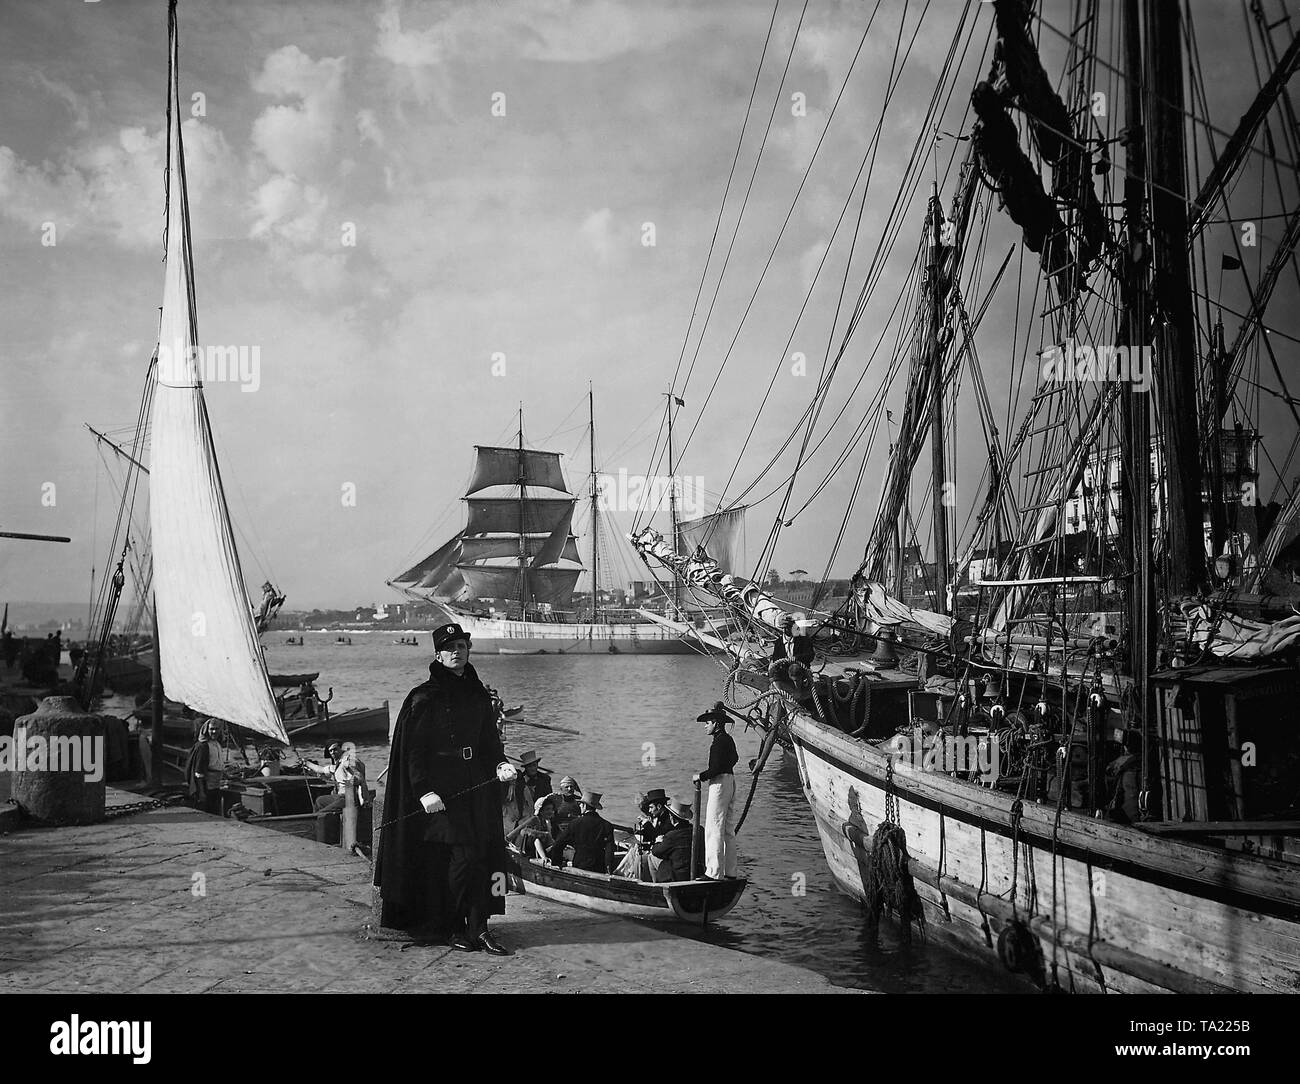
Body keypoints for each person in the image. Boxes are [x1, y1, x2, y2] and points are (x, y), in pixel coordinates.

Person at [374, 622, 518, 955]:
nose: (457, 652)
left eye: (462, 647)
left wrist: (500, 763)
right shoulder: (423, 697)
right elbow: (413, 752)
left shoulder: (477, 692)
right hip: (443, 791)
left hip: (478, 785)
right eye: (450, 648)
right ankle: (453, 926)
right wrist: (424, 791)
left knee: (484, 856)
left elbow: (489, 740)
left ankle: (480, 928)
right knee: (460, 859)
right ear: (438, 654)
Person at [694, 704, 740, 880]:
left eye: (707, 723)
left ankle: (713, 873)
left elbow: (715, 769)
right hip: (730, 781)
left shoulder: (718, 743)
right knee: (728, 828)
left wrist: (700, 776)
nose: (705, 726)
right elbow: (735, 758)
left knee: (713, 828)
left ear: (716, 723)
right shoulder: (728, 740)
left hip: (719, 784)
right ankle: (730, 872)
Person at [546, 789, 615, 874]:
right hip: (599, 866)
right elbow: (610, 851)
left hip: (580, 865)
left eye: (581, 805)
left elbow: (558, 844)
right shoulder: (606, 825)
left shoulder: (575, 823)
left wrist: (557, 862)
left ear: (584, 806)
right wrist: (609, 870)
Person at [615, 788, 670, 879]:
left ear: (659, 806)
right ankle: (622, 874)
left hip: (662, 853)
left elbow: (658, 835)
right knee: (635, 850)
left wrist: (647, 824)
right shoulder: (660, 816)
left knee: (638, 858)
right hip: (657, 849)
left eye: (651, 807)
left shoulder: (667, 818)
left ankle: (632, 878)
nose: (650, 810)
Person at [648, 797, 703, 882]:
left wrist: (657, 841)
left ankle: (656, 887)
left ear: (671, 817)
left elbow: (656, 851)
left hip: (677, 876)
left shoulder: (672, 835)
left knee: (650, 857)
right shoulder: (700, 830)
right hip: (698, 872)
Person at [305, 741, 367, 813]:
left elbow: (358, 775)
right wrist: (306, 763)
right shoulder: (337, 765)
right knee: (319, 801)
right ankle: (316, 819)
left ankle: (317, 819)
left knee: (322, 813)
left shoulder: (348, 761)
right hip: (340, 796)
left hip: (349, 798)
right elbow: (320, 769)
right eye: (330, 751)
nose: (332, 752)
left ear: (341, 749)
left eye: (335, 749)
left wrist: (355, 779)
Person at [504, 749, 552, 830]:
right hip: (525, 815)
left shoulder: (545, 779)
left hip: (542, 813)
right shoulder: (520, 781)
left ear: (537, 765)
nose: (533, 768)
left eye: (534, 765)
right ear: (526, 768)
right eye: (530, 766)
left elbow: (549, 798)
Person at [183, 720, 225, 813]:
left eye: (217, 729)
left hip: (216, 784)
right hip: (207, 786)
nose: (214, 732)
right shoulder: (203, 747)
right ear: (206, 730)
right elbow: (199, 772)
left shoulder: (217, 744)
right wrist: (201, 792)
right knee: (208, 810)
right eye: (211, 729)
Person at [506, 793, 559, 860]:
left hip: (542, 846)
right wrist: (508, 838)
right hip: (529, 848)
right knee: (536, 838)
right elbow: (521, 829)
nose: (551, 811)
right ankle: (543, 858)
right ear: (541, 811)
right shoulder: (534, 819)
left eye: (551, 809)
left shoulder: (548, 822)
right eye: (547, 809)